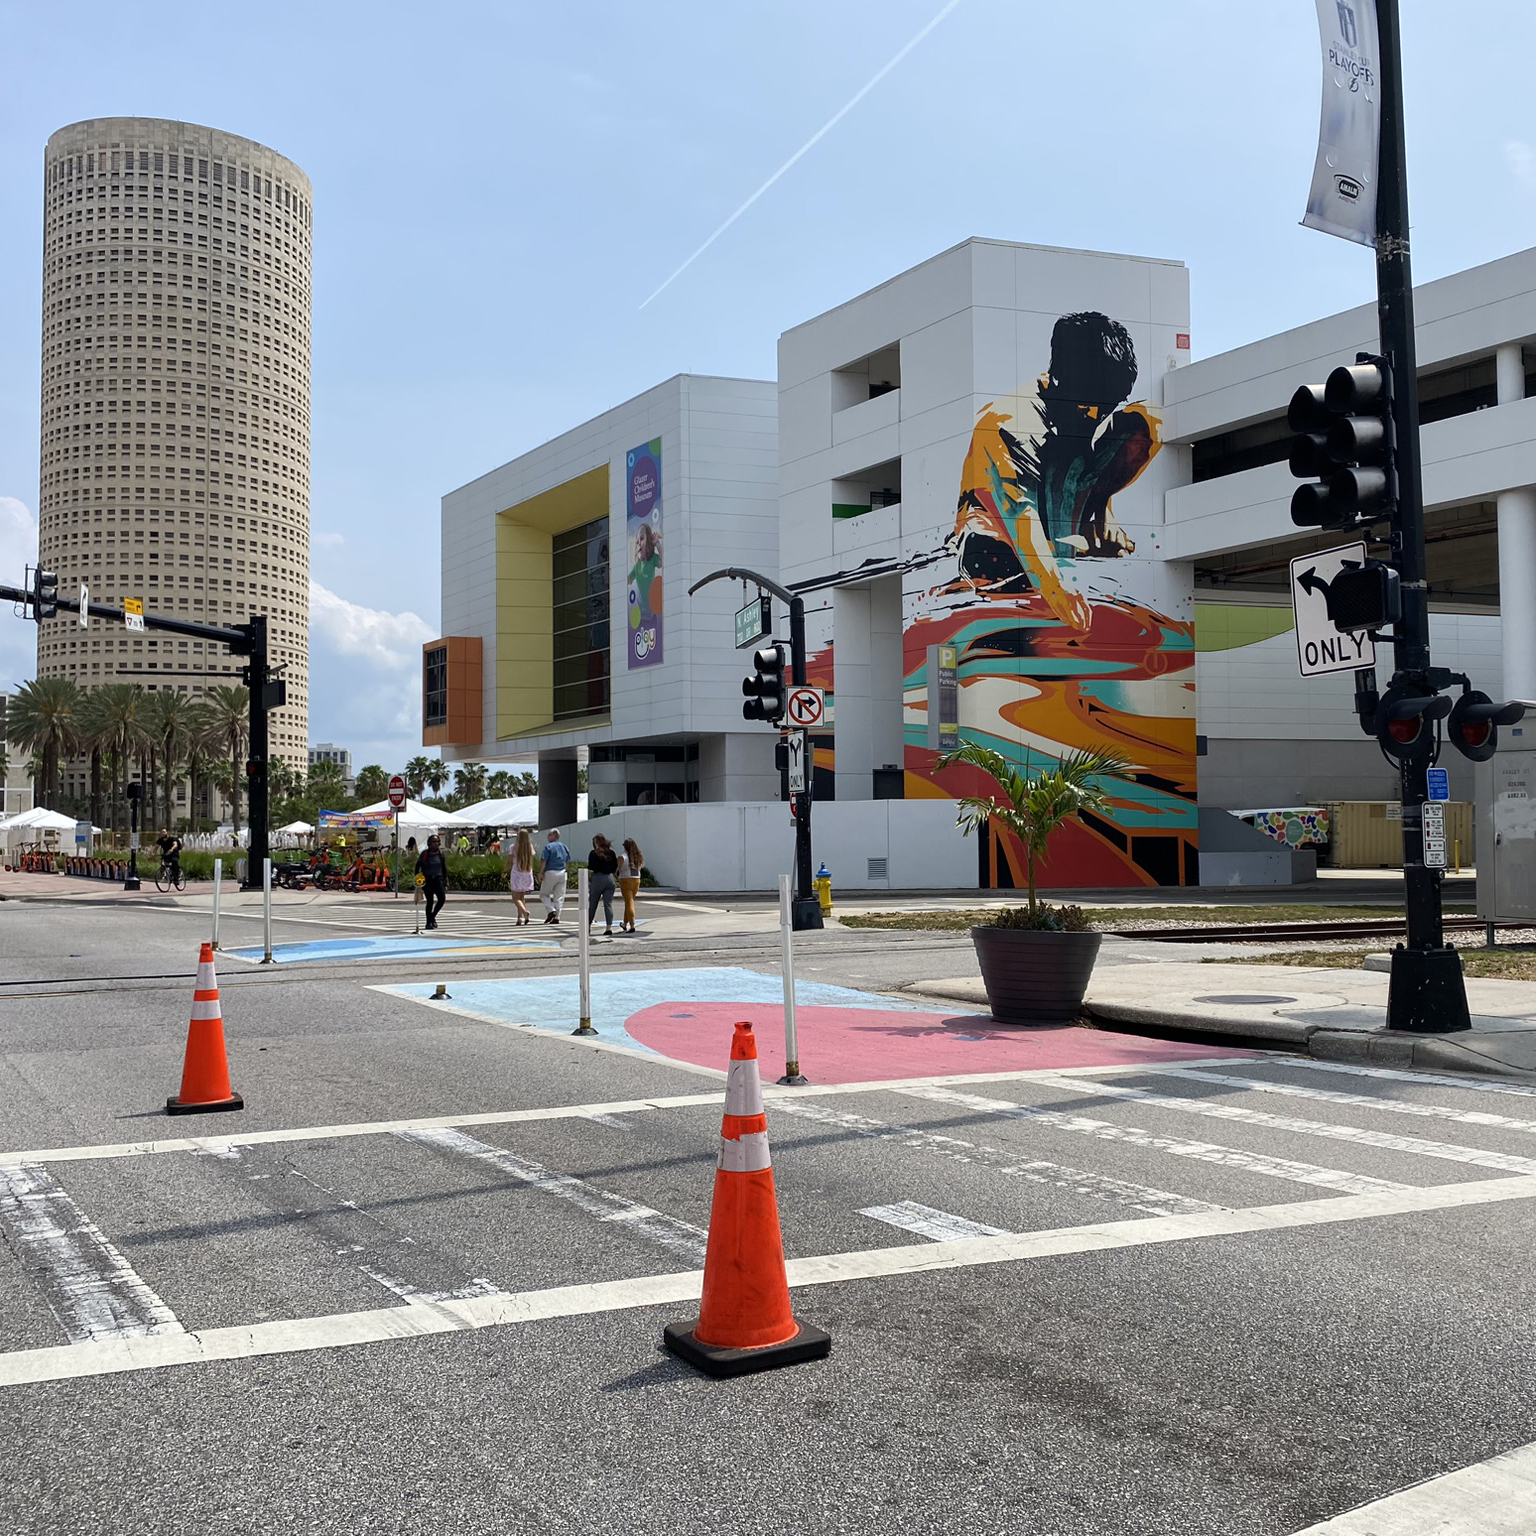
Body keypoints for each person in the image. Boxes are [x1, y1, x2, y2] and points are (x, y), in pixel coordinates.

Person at [586, 833, 619, 937]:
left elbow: (591, 866)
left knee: (592, 904)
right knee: (608, 904)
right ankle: (608, 927)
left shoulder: (593, 853)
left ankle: (588, 925)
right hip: (610, 878)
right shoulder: (611, 853)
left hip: (598, 878)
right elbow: (614, 868)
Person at [538, 829, 572, 924]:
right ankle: (557, 917)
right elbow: (567, 860)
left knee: (544, 894)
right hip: (562, 872)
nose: (548, 836)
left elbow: (543, 860)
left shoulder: (548, 847)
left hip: (551, 872)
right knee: (559, 896)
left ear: (555, 836)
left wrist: (541, 872)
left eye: (549, 835)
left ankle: (551, 910)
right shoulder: (564, 847)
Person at [415, 834, 448, 930]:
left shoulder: (441, 854)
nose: (436, 844)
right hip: (428, 880)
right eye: (434, 842)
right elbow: (417, 866)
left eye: (437, 842)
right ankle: (428, 922)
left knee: (441, 899)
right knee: (430, 902)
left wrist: (445, 880)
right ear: (429, 843)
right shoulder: (425, 854)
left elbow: (443, 868)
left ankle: (432, 917)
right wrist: (417, 879)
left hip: (438, 879)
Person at [504, 827, 535, 925]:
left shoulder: (513, 847)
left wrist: (505, 870)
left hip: (517, 872)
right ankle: (519, 918)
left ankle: (524, 912)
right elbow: (532, 860)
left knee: (515, 897)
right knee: (521, 897)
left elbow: (509, 861)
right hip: (527, 872)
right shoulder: (529, 847)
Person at [616, 837, 644, 934]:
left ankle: (632, 925)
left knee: (629, 902)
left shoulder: (622, 857)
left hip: (625, 880)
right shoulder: (638, 857)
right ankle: (624, 923)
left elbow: (618, 869)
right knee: (629, 902)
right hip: (636, 880)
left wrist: (617, 871)